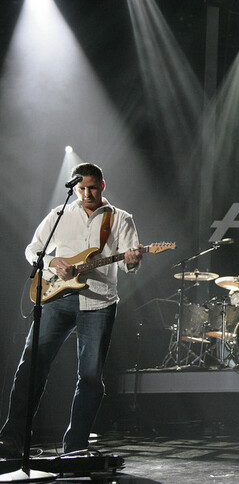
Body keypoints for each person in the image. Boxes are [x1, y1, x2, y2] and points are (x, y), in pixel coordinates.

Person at [0, 163, 143, 458]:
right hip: (56, 297)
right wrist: (53, 263)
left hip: (99, 302)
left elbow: (129, 265)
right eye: (81, 189)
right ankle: (13, 438)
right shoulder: (60, 214)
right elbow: (33, 249)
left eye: (92, 188)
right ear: (75, 188)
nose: (87, 194)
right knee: (32, 366)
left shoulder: (121, 218)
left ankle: (76, 447)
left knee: (89, 377)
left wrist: (132, 260)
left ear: (102, 185)